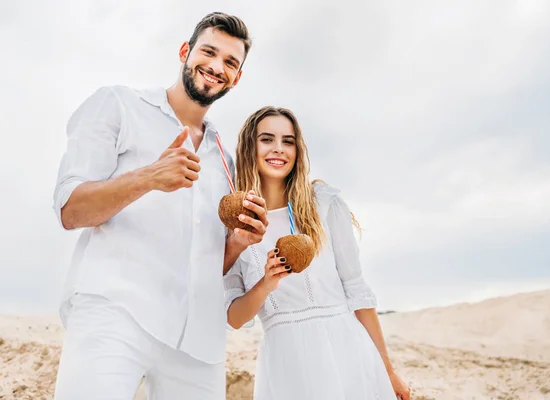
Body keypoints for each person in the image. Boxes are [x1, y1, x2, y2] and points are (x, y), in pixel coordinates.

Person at [52, 12, 267, 400]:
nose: (217, 66)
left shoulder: (226, 161)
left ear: (236, 77)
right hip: (115, 313)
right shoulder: (118, 104)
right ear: (185, 51)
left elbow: (204, 262)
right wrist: (148, 177)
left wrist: (237, 244)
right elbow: (70, 210)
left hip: (198, 341)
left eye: (231, 63)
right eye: (209, 52)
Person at [224, 106, 411, 400]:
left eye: (288, 141)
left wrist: (387, 370)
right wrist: (266, 284)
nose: (279, 149)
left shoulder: (323, 204)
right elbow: (234, 318)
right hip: (286, 364)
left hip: (347, 351)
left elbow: (357, 290)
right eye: (267, 139)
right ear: (250, 147)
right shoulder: (238, 227)